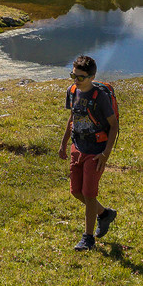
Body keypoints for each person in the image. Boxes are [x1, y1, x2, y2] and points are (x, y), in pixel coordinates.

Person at [60, 55, 118, 250]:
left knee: (89, 194)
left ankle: (88, 238)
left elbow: (113, 126)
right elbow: (72, 118)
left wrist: (105, 155)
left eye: (80, 77)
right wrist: (63, 144)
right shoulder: (72, 91)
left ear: (92, 77)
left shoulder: (99, 97)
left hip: (95, 151)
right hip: (77, 146)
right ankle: (104, 214)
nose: (76, 80)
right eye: (73, 75)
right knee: (76, 191)